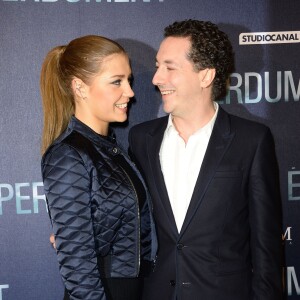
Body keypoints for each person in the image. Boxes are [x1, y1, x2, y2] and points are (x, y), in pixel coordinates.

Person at [128, 20, 283, 300]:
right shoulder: (141, 140)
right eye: (157, 65)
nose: (156, 78)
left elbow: (267, 248)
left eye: (170, 67)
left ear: (205, 76)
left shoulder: (251, 140)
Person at [40, 35, 157, 300]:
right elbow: (78, 268)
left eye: (129, 81)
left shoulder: (111, 149)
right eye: (117, 82)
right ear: (79, 87)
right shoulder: (68, 155)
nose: (130, 92)